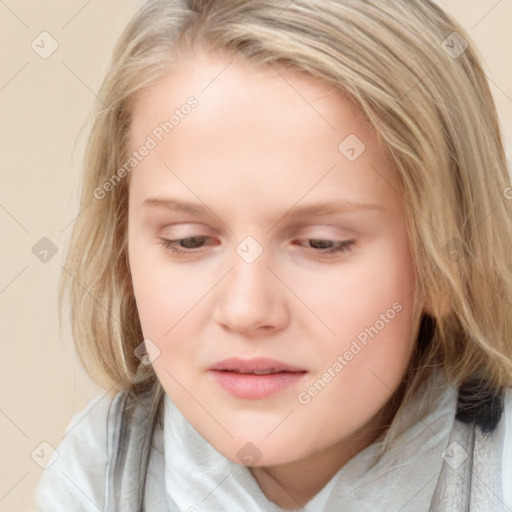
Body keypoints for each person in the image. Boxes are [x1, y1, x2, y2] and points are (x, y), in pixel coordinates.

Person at [33, 0, 512, 510]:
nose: (246, 310)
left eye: (322, 243)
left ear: (450, 261)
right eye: (189, 240)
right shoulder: (95, 477)